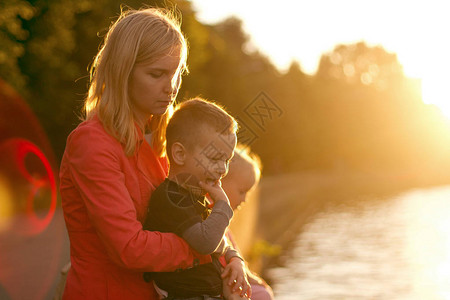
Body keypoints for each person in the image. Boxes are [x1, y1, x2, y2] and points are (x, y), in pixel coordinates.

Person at [60, 7, 215, 300]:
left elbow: (195, 216)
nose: (171, 88)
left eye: (176, 72)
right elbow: (128, 247)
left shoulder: (160, 141)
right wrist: (203, 248)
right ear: (123, 72)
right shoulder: (92, 142)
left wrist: (232, 257)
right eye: (157, 74)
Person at [143, 98, 251, 300]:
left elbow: (219, 242)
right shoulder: (171, 198)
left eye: (226, 160)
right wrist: (223, 206)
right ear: (180, 154)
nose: (222, 168)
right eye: (214, 158)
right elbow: (205, 242)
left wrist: (234, 257)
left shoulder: (195, 196)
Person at [222, 146, 275, 300]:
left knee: (264, 292)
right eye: (242, 191)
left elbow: (239, 261)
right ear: (221, 182)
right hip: (224, 287)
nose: (245, 199)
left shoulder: (225, 226)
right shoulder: (213, 222)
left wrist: (252, 277)